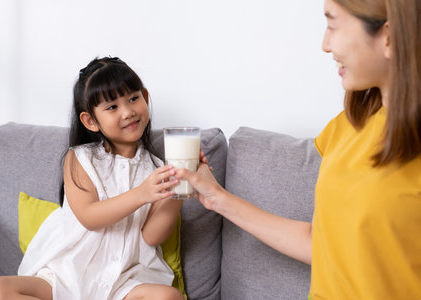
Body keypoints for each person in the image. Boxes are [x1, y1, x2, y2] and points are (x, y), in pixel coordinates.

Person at [176, 0, 421, 298]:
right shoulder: (348, 126)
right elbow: (319, 242)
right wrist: (216, 198)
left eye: (332, 24)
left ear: (388, 37)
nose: (325, 44)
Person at [0, 57, 185, 300]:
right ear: (90, 121)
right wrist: (142, 194)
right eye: (112, 107)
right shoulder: (81, 158)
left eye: (133, 98)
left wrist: (181, 185)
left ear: (145, 98)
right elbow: (89, 216)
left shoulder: (157, 168)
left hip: (124, 278)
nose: (128, 112)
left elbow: (151, 237)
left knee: (168, 296)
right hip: (66, 273)